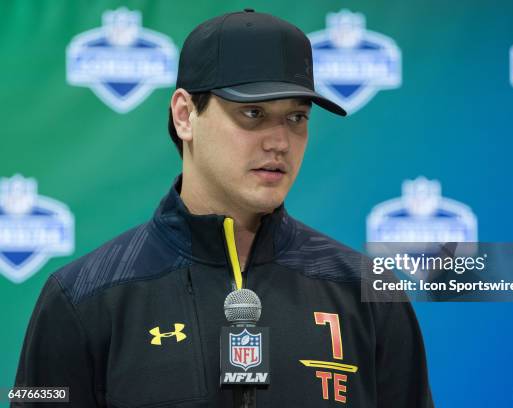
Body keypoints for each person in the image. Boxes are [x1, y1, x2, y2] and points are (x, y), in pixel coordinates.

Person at [13, 9, 434, 407]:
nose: (280, 142)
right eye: (253, 113)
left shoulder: (369, 290)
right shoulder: (83, 297)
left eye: (296, 118)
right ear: (184, 115)